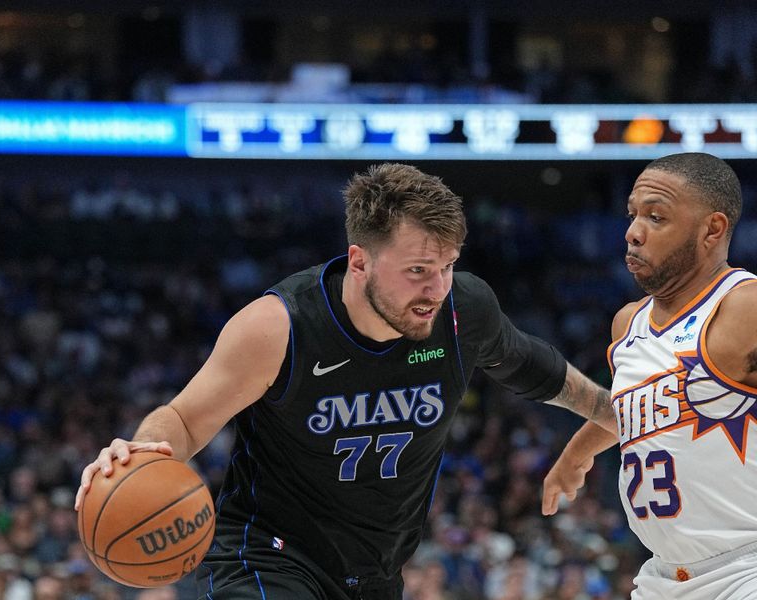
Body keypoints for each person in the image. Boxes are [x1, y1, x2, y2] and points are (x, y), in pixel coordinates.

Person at [74, 163, 616, 600]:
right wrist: (141, 454)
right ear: (359, 261)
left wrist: (617, 413)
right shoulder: (278, 326)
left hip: (376, 572)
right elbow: (187, 419)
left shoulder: (462, 310)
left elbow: (534, 367)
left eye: (448, 266)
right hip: (268, 558)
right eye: (418, 270)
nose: (437, 287)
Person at [542, 152, 757, 599]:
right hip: (663, 577)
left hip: (746, 568)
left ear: (712, 230)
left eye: (656, 217)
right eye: (633, 214)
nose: (632, 232)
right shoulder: (628, 323)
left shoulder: (744, 306)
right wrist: (577, 454)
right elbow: (640, 411)